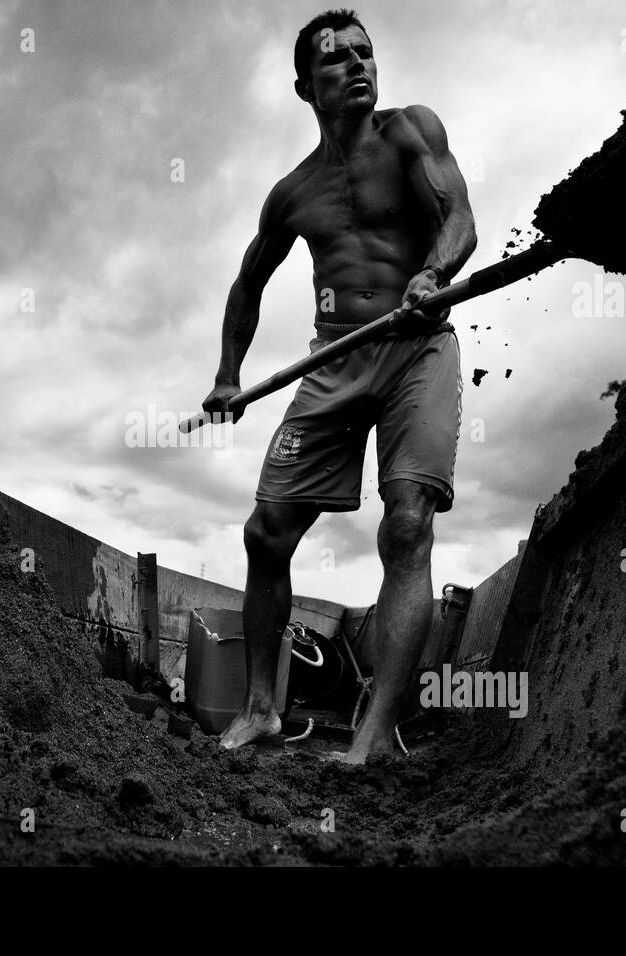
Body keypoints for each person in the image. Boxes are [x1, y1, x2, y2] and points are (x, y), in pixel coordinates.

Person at [201, 8, 477, 762]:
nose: (357, 65)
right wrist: (227, 376)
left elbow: (460, 218)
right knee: (266, 532)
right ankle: (259, 711)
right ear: (305, 86)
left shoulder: (412, 132)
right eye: (336, 59)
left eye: (365, 53)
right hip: (336, 358)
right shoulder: (294, 192)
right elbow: (248, 284)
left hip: (418, 345)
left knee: (408, 522)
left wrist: (433, 272)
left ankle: (375, 734)